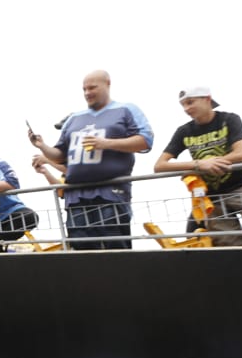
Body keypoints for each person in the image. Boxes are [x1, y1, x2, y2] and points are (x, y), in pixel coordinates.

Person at [29, 70, 153, 250]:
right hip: (76, 195)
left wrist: (105, 143)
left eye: (92, 87)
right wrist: (42, 146)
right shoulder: (74, 118)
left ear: (107, 84)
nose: (87, 93)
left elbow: (145, 141)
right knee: (81, 247)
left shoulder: (126, 109)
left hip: (111, 192)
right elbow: (60, 154)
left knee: (114, 244)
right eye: (84, 89)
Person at [154, 87, 242, 246]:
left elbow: (240, 154)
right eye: (183, 105)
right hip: (213, 197)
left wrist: (210, 163)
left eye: (190, 102)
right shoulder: (184, 131)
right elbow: (159, 165)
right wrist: (200, 165)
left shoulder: (229, 119)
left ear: (207, 98)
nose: (186, 109)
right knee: (229, 245)